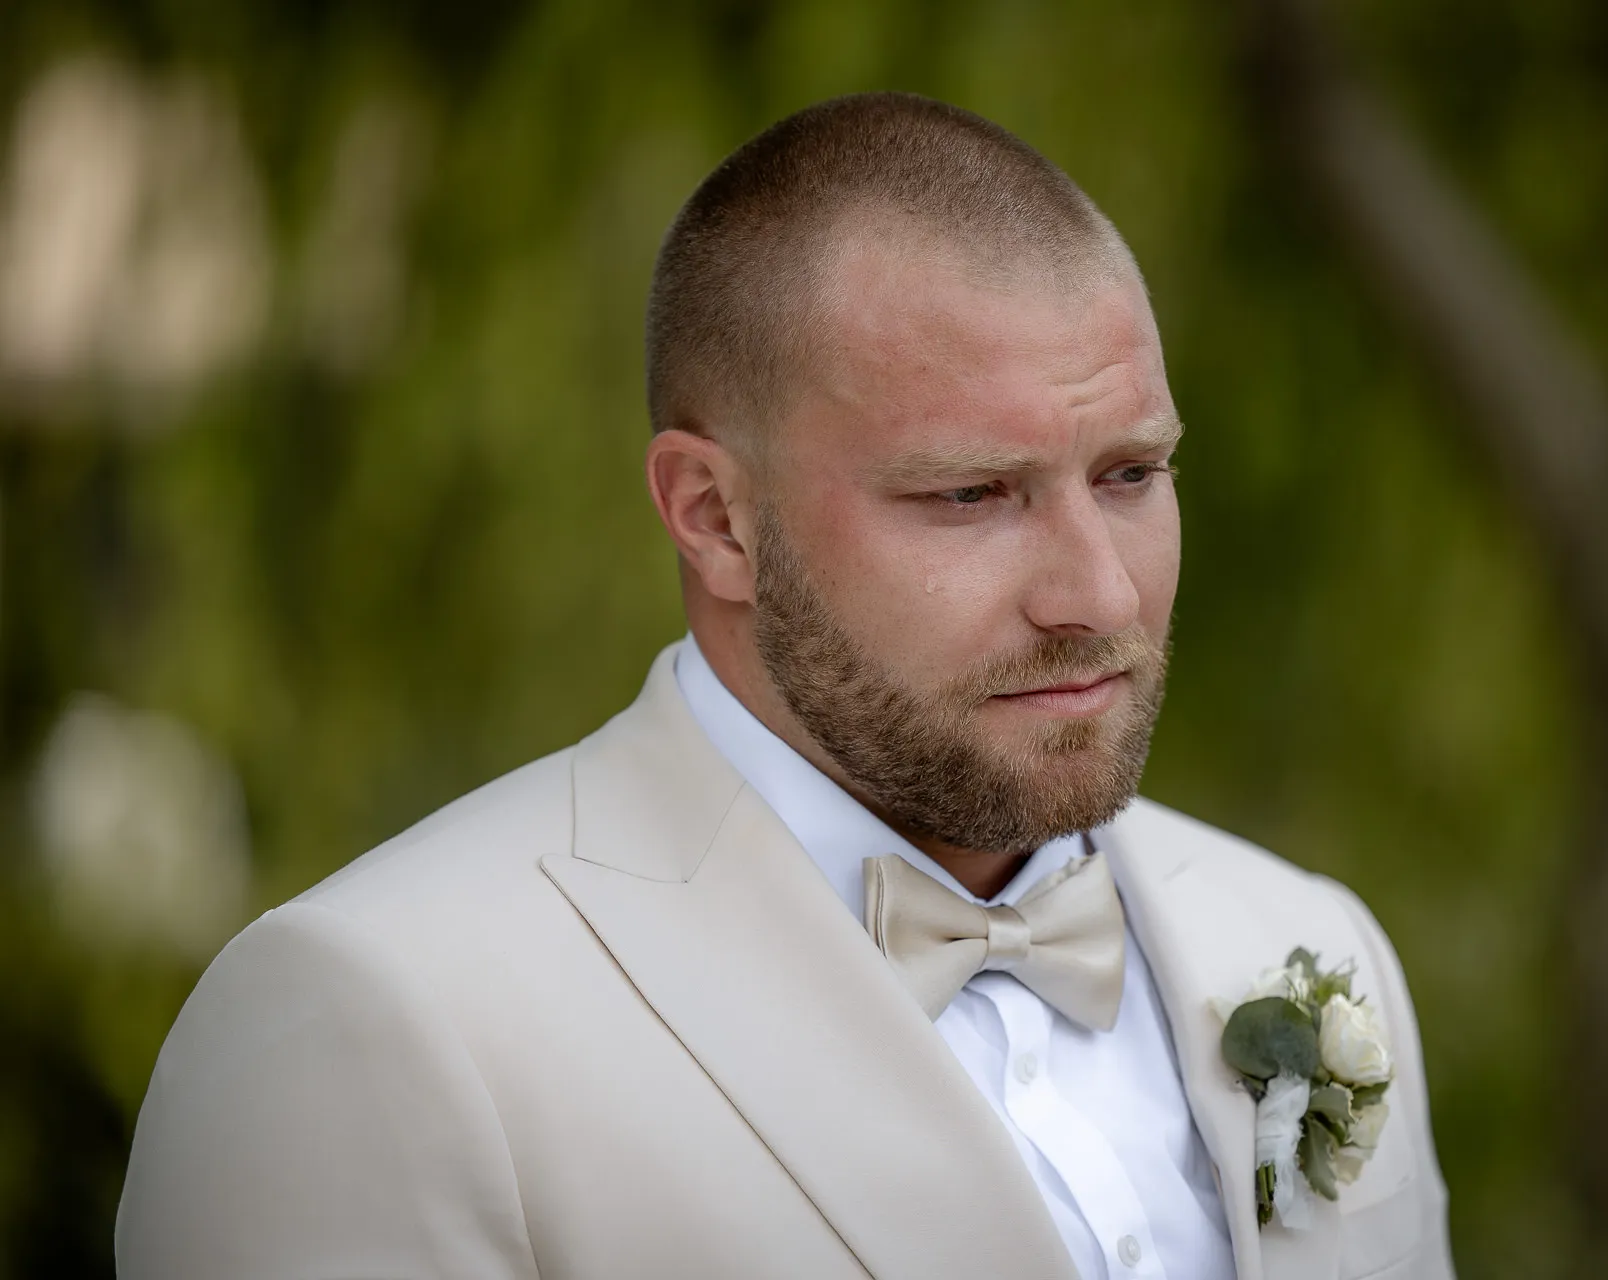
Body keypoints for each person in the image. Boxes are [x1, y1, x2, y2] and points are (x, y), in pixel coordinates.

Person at [116, 91, 1453, 1280]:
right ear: (714, 517)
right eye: (972, 494)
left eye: (1130, 476)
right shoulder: (377, 1027)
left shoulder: (1307, 938)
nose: (1099, 595)